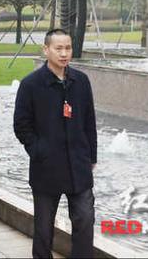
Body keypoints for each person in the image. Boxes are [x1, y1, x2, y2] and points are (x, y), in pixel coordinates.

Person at [13, 29, 97, 259]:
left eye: (68, 48)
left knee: (85, 219)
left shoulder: (81, 81)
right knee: (43, 226)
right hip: (46, 166)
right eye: (58, 48)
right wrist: (39, 151)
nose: (64, 53)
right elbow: (21, 125)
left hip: (78, 164)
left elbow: (89, 121)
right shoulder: (31, 84)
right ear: (46, 50)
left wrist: (92, 157)